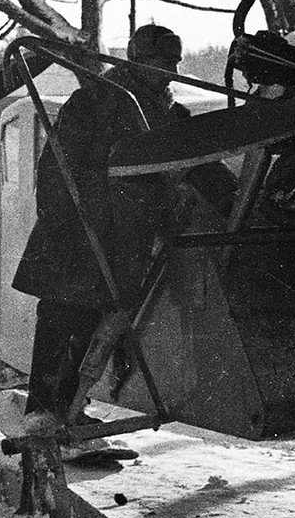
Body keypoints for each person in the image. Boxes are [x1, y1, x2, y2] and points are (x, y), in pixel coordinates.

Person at [11, 23, 188, 428]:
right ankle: (43, 411)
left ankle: (69, 409)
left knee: (94, 325)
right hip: (80, 235)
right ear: (137, 59)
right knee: (62, 320)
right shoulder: (96, 100)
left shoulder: (164, 111)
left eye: (175, 63)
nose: (171, 72)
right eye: (163, 62)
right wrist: (66, 224)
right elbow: (56, 169)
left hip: (123, 238)